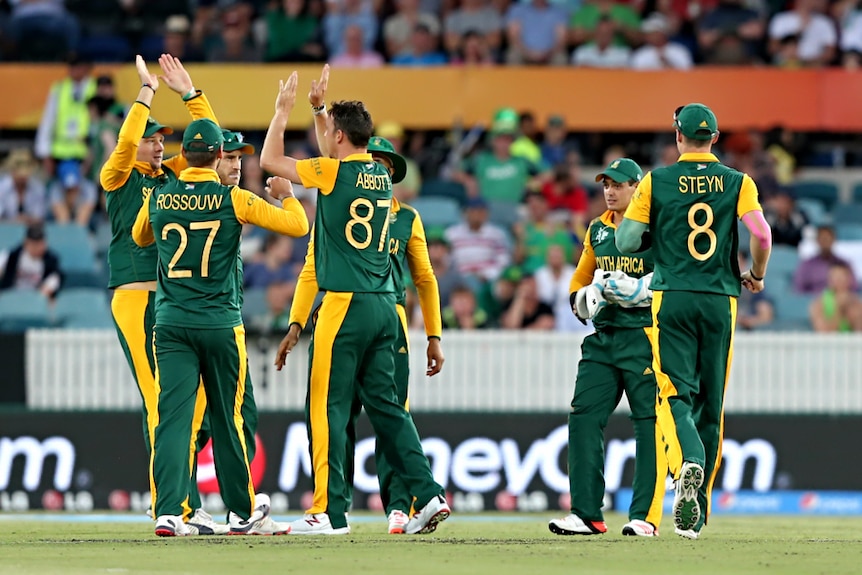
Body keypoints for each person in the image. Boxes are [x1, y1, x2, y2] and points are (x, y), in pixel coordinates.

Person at [260, 69, 449, 536]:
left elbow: (269, 160)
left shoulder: (330, 171)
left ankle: (327, 511)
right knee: (388, 408)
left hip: (343, 305)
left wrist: (284, 111)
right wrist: (321, 110)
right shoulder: (382, 182)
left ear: (340, 137)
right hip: (386, 307)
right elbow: (334, 156)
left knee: (327, 408)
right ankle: (427, 494)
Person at [131, 118, 309, 537]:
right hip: (219, 324)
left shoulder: (159, 195)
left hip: (171, 322)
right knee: (228, 419)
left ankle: (170, 510)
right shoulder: (233, 199)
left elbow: (140, 237)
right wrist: (287, 196)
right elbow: (298, 227)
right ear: (215, 157)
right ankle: (243, 511)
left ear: (184, 155)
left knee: (173, 419)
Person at [615, 103, 772, 540]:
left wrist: (655, 233)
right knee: (712, 401)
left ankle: (689, 461)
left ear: (678, 137)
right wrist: (756, 275)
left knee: (673, 389)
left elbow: (627, 242)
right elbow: (761, 234)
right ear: (715, 139)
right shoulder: (739, 182)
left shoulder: (656, 181)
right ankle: (697, 513)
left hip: (672, 296)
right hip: (721, 298)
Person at [99, 55, 221, 535]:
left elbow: (209, 144)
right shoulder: (120, 176)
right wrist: (147, 92)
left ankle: (182, 501)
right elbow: (126, 143)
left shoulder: (170, 176)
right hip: (134, 300)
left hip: (170, 303)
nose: (156, 145)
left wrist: (192, 94)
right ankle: (173, 507)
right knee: (160, 403)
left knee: (191, 407)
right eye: (151, 138)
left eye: (160, 139)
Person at [549, 158, 665, 538]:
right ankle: (586, 514)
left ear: (638, 188)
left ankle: (644, 517)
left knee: (648, 424)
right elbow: (577, 284)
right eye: (606, 185)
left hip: (645, 336)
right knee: (583, 417)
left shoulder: (656, 227)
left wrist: (642, 292)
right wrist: (584, 298)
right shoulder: (597, 230)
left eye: (619, 185)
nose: (610, 191)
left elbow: (672, 279)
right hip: (603, 339)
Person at [0, 223, 62, 300]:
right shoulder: (11, 256)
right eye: (35, 245)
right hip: (10, 296)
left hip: (34, 300)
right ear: (26, 243)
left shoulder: (51, 262)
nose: (39, 248)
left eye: (41, 244)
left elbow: (50, 286)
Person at [793, 225, 857, 294]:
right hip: (813, 301)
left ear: (834, 239)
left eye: (828, 238)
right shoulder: (807, 265)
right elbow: (799, 289)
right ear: (817, 241)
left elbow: (854, 288)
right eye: (822, 239)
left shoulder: (844, 264)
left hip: (840, 301)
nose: (825, 242)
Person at [810, 263, 862, 332]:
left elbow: (859, 333)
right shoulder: (818, 304)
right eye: (836, 278)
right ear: (829, 281)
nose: (839, 281)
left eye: (842, 277)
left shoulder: (857, 303)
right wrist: (839, 309)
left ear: (849, 280)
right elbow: (823, 332)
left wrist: (854, 317)